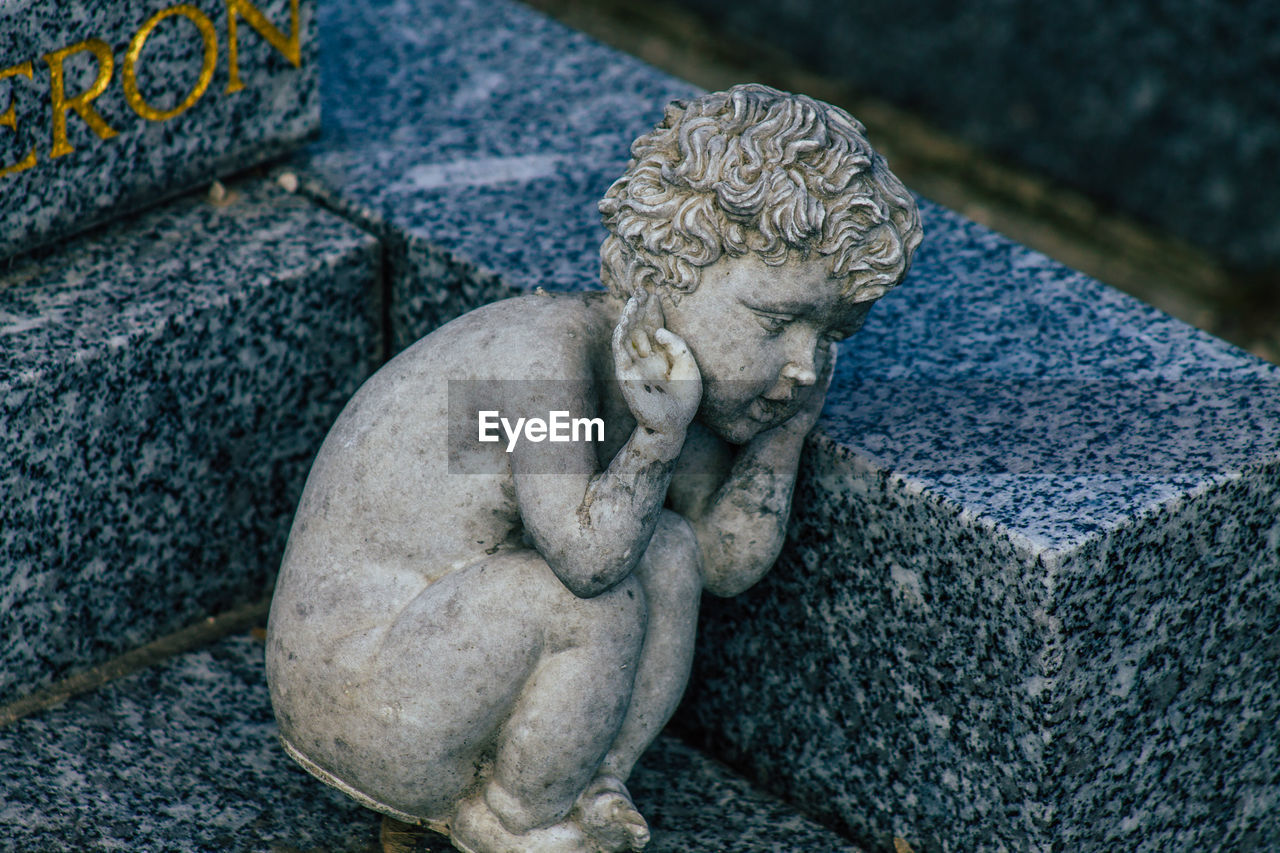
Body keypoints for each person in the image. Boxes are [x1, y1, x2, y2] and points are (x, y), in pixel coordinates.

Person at [266, 83, 922, 853]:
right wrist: (653, 441)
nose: (806, 365)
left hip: (449, 661)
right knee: (592, 601)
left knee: (669, 549)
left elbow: (718, 560)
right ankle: (513, 817)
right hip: (358, 688)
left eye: (831, 335)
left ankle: (590, 777)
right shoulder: (538, 362)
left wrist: (783, 433)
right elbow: (587, 561)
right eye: (779, 323)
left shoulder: (681, 384)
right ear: (670, 273)